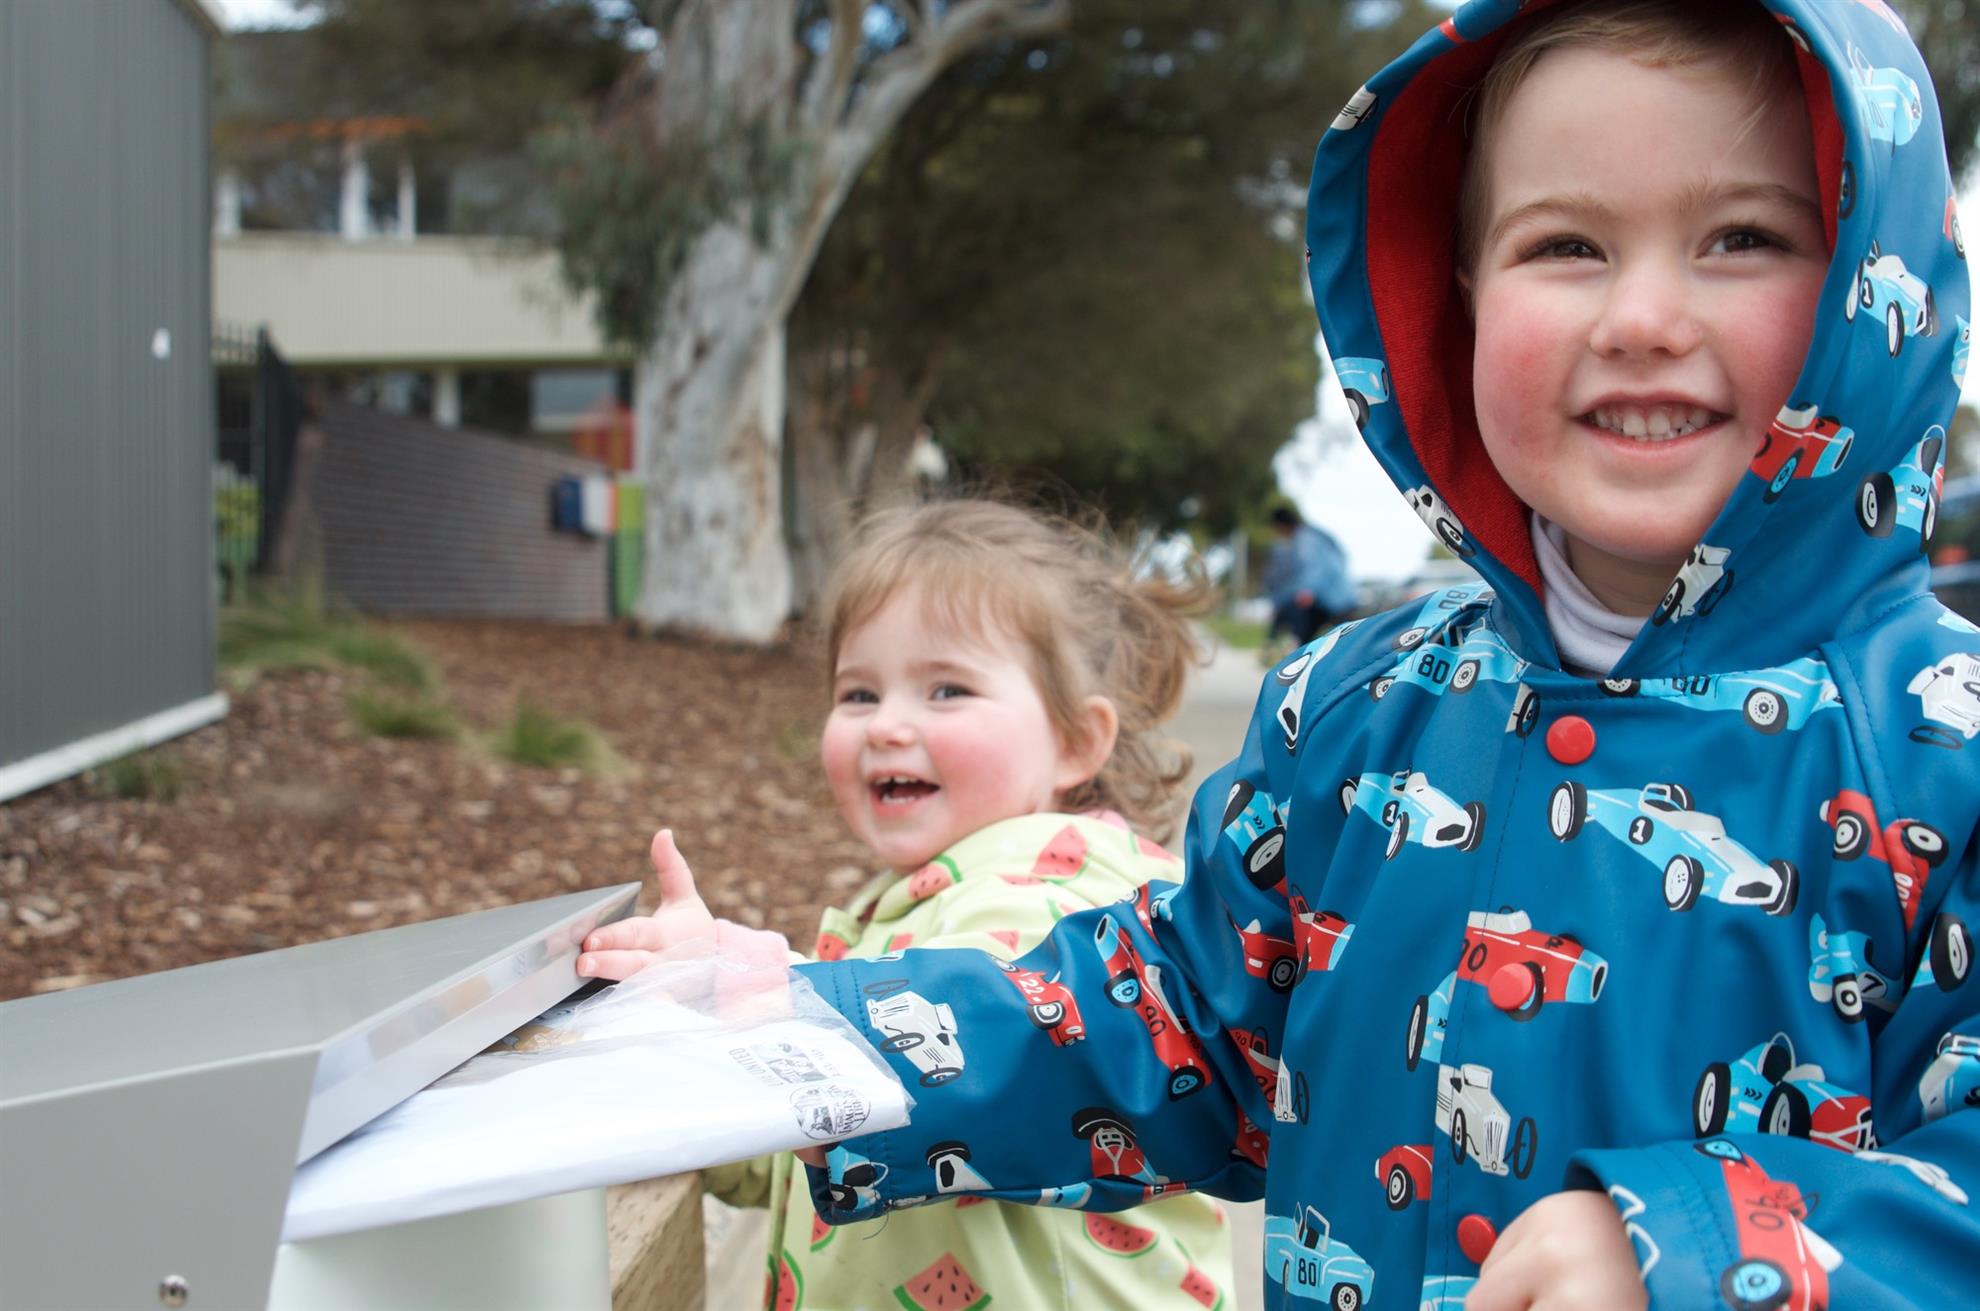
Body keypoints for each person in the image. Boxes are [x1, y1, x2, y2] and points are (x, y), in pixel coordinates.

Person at [586, 2, 1980, 1305]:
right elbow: (1165, 1019)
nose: (1642, 317)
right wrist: (796, 1019)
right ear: (1457, 301)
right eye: (1567, 246)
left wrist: (1693, 1242)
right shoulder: (1357, 710)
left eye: (1740, 237)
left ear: (1881, 282)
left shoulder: (1942, 749)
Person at [583, 499, 1236, 1311]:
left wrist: (740, 982)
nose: (887, 723)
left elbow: (965, 1045)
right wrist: (699, 1086)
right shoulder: (897, 905)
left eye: (947, 688)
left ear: (1075, 741)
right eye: (858, 693)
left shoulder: (1064, 900)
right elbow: (817, 1135)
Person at [1260, 505, 1356, 648]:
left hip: (1334, 601)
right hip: (1336, 598)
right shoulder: (1312, 535)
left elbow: (1314, 567)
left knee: (1343, 643)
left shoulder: (1304, 540)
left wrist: (1307, 590)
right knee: (1313, 638)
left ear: (1280, 525)